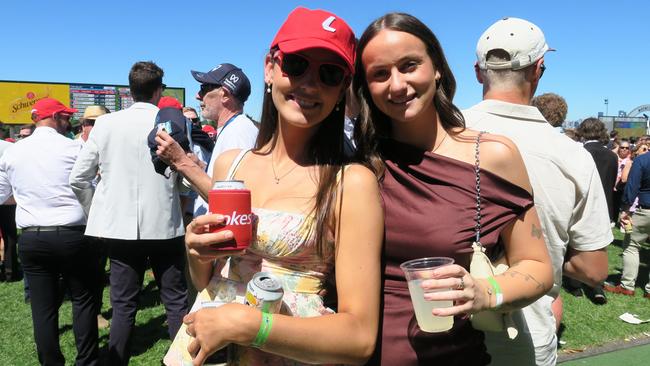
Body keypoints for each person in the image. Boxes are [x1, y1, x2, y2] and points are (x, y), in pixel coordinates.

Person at [157, 7, 383, 366]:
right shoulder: (233, 161)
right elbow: (208, 281)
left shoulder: (351, 182)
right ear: (270, 67)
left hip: (289, 353)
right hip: (209, 346)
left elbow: (359, 338)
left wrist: (251, 327)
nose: (309, 83)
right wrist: (197, 252)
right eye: (296, 64)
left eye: (329, 73)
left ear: (342, 89)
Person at [352, 13, 552, 366]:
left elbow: (537, 266)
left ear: (438, 68)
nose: (397, 85)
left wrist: (486, 292)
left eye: (409, 65)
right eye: (380, 74)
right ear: (366, 87)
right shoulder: (359, 163)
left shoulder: (492, 155)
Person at [463, 17, 612, 365]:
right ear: (539, 69)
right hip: (526, 334)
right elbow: (594, 269)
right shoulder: (573, 155)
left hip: (442, 326)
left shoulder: (441, 131)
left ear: (477, 71)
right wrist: (551, 260)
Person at [69, 61, 189, 366]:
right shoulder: (171, 123)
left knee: (123, 305)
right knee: (175, 302)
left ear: (129, 90)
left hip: (120, 228)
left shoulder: (106, 124)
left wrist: (99, 210)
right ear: (159, 90)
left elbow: (78, 178)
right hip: (165, 225)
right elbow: (186, 178)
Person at [0, 97, 100, 365]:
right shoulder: (73, 148)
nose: (69, 122)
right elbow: (90, 186)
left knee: (42, 309)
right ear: (55, 117)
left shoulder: (13, 152)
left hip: (32, 236)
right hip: (73, 234)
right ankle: (87, 361)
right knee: (84, 299)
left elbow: (2, 195)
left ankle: (51, 362)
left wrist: (30, 196)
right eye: (66, 117)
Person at [605, 140, 650, 299]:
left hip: (645, 210)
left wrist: (625, 210)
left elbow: (632, 186)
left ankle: (627, 285)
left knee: (631, 246)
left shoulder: (642, 160)